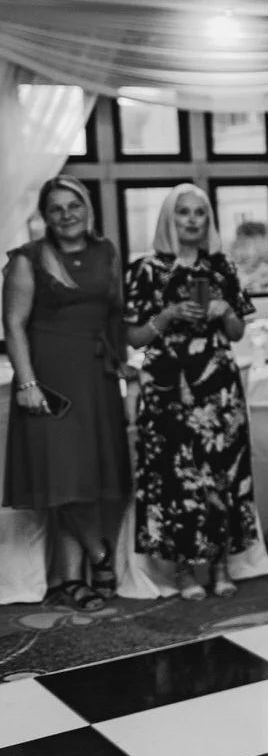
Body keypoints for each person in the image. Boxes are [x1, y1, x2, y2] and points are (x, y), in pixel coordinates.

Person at [124, 184, 260, 600]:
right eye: (183, 212)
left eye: (199, 213)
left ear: (208, 220)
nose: (191, 220)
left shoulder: (221, 267)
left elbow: (238, 333)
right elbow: (134, 337)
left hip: (218, 387)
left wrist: (224, 311)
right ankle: (183, 570)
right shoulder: (146, 270)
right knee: (174, 476)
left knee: (222, 473)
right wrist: (166, 315)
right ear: (169, 218)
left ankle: (219, 566)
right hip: (168, 388)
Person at [2, 176, 130, 611]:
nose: (66, 215)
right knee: (63, 476)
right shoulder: (28, 259)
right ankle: (99, 555)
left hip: (96, 378)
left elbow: (116, 315)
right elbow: (14, 324)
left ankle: (71, 581)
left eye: (72, 205)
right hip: (51, 384)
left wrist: (127, 369)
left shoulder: (105, 251)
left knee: (87, 480)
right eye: (55, 208)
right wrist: (27, 383)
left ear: (87, 208)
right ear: (45, 215)